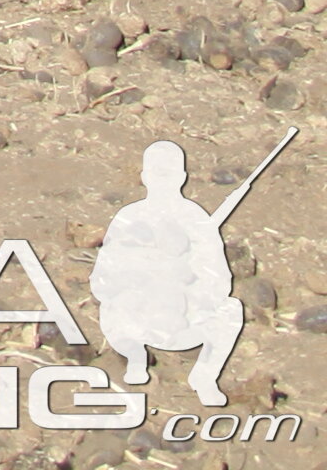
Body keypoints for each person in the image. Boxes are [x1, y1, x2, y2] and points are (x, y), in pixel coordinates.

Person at [93, 139, 257, 406]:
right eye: (157, 172)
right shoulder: (129, 217)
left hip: (186, 318)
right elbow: (103, 278)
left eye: (168, 172)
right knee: (112, 307)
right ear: (144, 176)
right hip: (140, 318)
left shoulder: (196, 218)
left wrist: (193, 281)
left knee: (231, 309)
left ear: (182, 177)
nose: (162, 179)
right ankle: (135, 358)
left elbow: (219, 279)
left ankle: (204, 376)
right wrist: (142, 277)